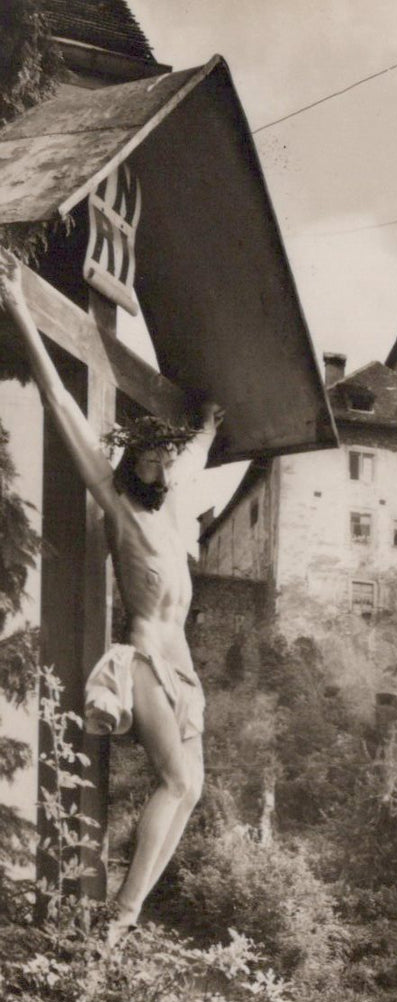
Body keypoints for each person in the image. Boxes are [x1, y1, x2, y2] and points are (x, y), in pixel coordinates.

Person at [0, 251, 222, 943]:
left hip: (184, 672)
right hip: (146, 657)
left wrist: (211, 424)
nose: (156, 464)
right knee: (176, 779)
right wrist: (17, 306)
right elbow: (64, 403)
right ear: (130, 464)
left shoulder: (174, 507)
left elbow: (195, 453)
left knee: (192, 791)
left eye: (162, 457)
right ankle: (120, 916)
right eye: (146, 457)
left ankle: (127, 914)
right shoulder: (121, 506)